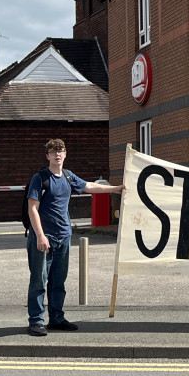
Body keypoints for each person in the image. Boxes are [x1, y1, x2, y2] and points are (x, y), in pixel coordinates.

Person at [26, 138, 124, 336]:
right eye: (53, 151)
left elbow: (89, 186)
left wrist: (115, 188)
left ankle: (56, 318)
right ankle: (36, 321)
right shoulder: (40, 178)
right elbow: (32, 209)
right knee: (39, 280)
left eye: (60, 150)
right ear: (47, 156)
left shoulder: (68, 177)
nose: (57, 154)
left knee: (58, 281)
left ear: (65, 154)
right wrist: (40, 236)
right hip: (44, 237)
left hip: (63, 236)